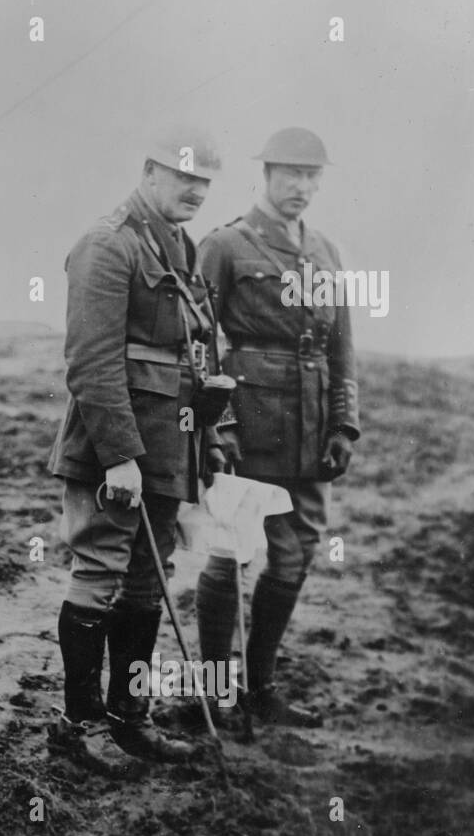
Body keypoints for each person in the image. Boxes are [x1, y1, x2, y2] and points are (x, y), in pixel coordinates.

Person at [47, 127, 227, 762]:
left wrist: (206, 441)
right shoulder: (108, 242)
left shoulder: (182, 247)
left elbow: (194, 357)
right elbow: (91, 361)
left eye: (205, 180)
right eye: (185, 177)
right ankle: (79, 725)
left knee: (148, 585)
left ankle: (130, 718)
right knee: (99, 574)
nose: (196, 190)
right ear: (151, 172)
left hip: (169, 447)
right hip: (112, 451)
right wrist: (120, 454)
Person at [195, 128, 359, 727]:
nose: (302, 187)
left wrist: (344, 423)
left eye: (312, 176)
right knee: (230, 553)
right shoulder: (227, 246)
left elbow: (342, 345)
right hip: (251, 428)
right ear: (265, 175)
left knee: (294, 557)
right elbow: (198, 342)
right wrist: (222, 423)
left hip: (311, 430)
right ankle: (213, 694)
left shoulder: (325, 251)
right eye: (290, 174)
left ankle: (260, 687)